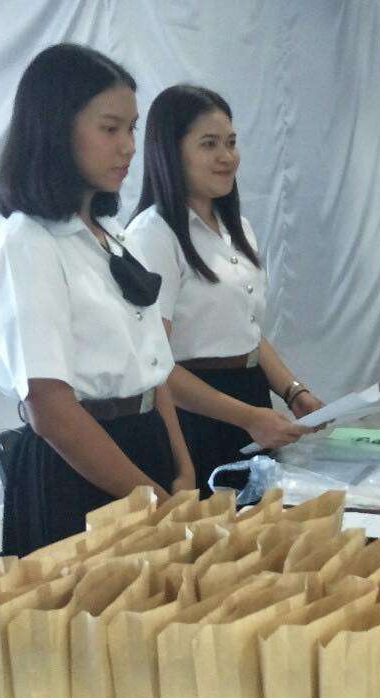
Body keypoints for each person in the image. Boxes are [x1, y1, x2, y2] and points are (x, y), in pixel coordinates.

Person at [0, 44, 192, 555]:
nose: (129, 147)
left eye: (132, 129)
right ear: (55, 130)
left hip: (146, 449)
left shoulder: (112, 235)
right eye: (110, 129)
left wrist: (181, 467)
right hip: (80, 473)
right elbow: (51, 410)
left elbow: (153, 369)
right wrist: (151, 501)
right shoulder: (27, 245)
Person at [124, 85, 324, 495]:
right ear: (171, 152)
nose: (227, 157)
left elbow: (246, 332)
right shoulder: (153, 234)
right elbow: (153, 364)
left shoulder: (237, 228)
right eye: (209, 144)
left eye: (231, 143)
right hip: (194, 414)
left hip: (249, 397)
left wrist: (293, 391)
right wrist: (246, 417)